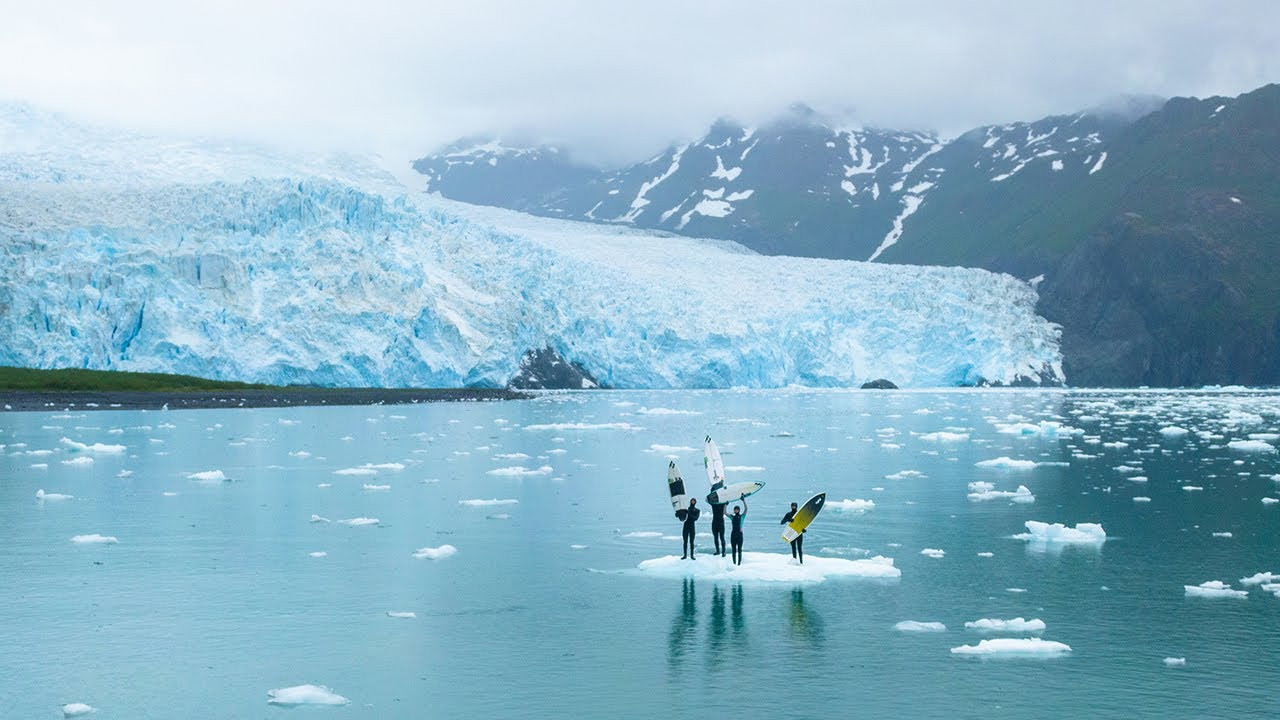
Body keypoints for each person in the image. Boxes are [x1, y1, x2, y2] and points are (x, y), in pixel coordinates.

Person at [728, 499, 747, 565]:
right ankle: (734, 563)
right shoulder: (732, 517)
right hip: (733, 534)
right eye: (735, 509)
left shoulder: (742, 516)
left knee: (739, 549)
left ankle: (739, 563)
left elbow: (746, 509)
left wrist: (743, 500)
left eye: (737, 509)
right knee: (733, 550)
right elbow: (724, 512)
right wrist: (725, 504)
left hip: (739, 534)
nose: (736, 510)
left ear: (739, 510)